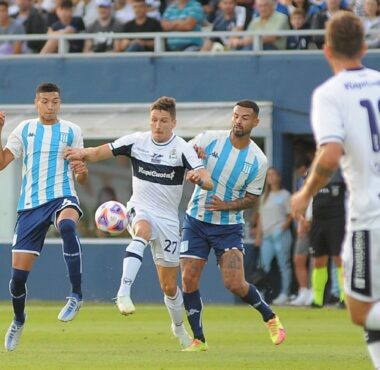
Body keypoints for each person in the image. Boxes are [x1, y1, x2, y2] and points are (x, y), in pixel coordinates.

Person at [64, 96, 213, 350]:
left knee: (169, 286)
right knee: (141, 230)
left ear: (173, 123)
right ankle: (123, 293)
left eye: (163, 121)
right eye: (154, 120)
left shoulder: (183, 149)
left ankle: (178, 329)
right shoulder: (137, 141)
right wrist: (82, 154)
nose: (157, 125)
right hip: (139, 208)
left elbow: (208, 181)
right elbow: (101, 151)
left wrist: (200, 179)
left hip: (167, 219)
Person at [291, 11, 380, 368]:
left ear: (326, 49)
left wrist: (306, 191)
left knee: (360, 310)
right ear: (364, 45)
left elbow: (329, 154)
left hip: (369, 216)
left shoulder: (329, 94)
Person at [180, 100, 286, 352]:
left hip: (228, 227)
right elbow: (183, 156)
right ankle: (199, 339)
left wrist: (225, 205)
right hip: (196, 220)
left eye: (245, 117)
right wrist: (192, 164)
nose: (239, 120)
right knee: (188, 278)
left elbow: (252, 198)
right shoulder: (209, 139)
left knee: (234, 283)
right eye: (236, 116)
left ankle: (270, 317)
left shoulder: (258, 160)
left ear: (255, 122)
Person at [0, 82, 88, 352]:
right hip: (30, 206)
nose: (51, 106)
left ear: (60, 103)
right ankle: (18, 319)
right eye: (45, 101)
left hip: (62, 196)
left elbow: (81, 177)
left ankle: (76, 294)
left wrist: (82, 170)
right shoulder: (24, 129)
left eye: (55, 101)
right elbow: (2, 163)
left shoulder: (72, 131)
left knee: (68, 226)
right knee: (17, 279)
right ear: (36, 102)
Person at [308, 168, 346, 308]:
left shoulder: (341, 171)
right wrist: (305, 219)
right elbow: (307, 195)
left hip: (336, 219)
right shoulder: (313, 170)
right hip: (318, 220)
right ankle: (317, 299)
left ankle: (344, 298)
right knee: (318, 260)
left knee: (339, 259)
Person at [256, 167, 293, 305]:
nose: (270, 177)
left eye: (273, 175)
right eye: (268, 175)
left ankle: (285, 293)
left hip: (280, 234)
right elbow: (260, 218)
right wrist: (258, 236)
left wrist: (285, 225)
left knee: (284, 264)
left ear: (279, 177)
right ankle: (261, 294)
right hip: (266, 236)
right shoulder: (264, 197)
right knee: (264, 266)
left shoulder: (285, 195)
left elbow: (291, 213)